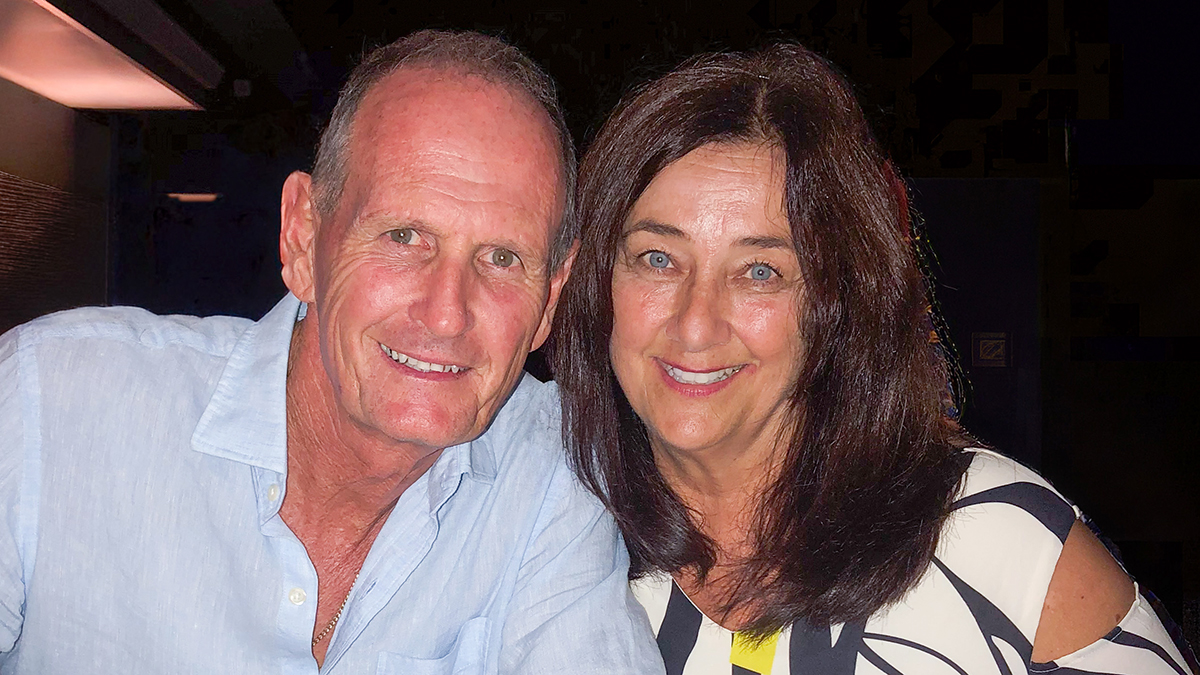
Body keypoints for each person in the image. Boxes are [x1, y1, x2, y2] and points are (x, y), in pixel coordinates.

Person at [0, 30, 661, 673]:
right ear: (303, 236)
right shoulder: (52, 404)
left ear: (550, 297)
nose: (446, 312)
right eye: (404, 236)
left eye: (501, 257)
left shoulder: (554, 474)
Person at [553, 43, 1194, 674]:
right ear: (593, 280)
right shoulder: (549, 542)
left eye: (760, 271)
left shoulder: (999, 545)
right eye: (658, 259)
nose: (696, 322)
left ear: (837, 306)